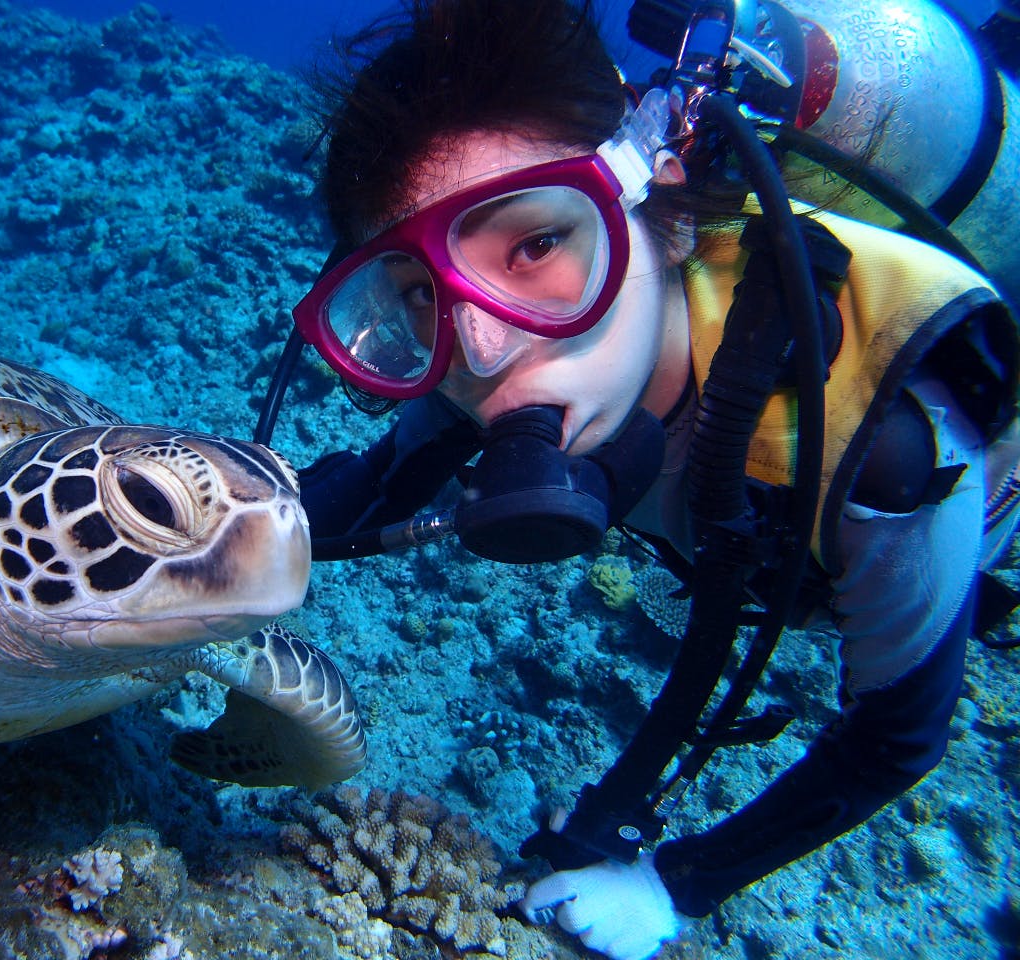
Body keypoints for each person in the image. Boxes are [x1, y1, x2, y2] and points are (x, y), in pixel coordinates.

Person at [285, 1, 1020, 958]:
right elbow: (368, 491)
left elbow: (896, 730)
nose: (484, 345)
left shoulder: (879, 447)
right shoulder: (467, 363)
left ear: (661, 215)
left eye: (537, 245)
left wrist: (676, 886)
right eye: (421, 291)